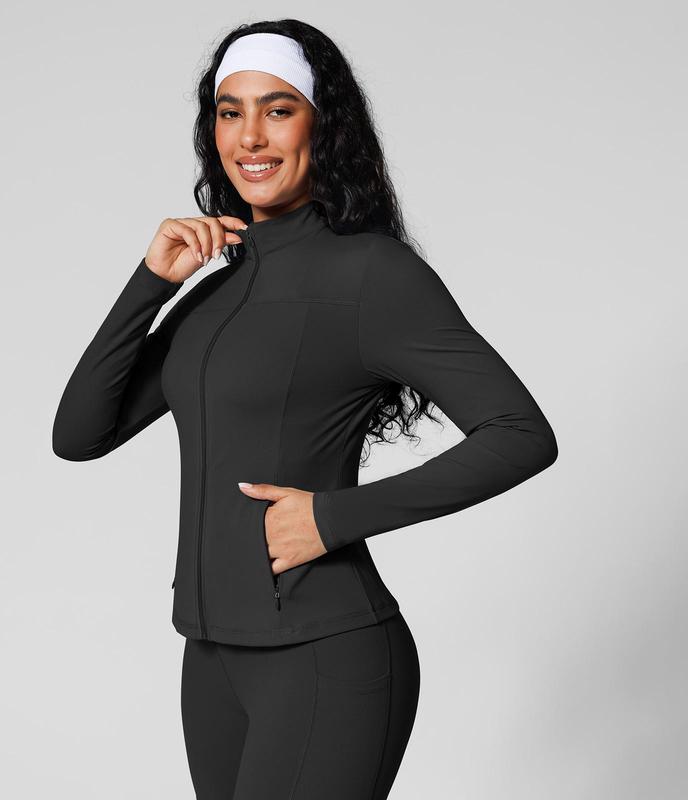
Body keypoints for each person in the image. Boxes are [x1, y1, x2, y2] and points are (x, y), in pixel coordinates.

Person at [52, 21, 558, 800]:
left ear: (323, 125)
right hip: (210, 661)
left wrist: (332, 517)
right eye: (230, 112)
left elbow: (522, 434)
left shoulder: (369, 274)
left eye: (278, 109)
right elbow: (80, 433)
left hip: (325, 656)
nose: (250, 136)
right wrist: (150, 283)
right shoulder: (216, 288)